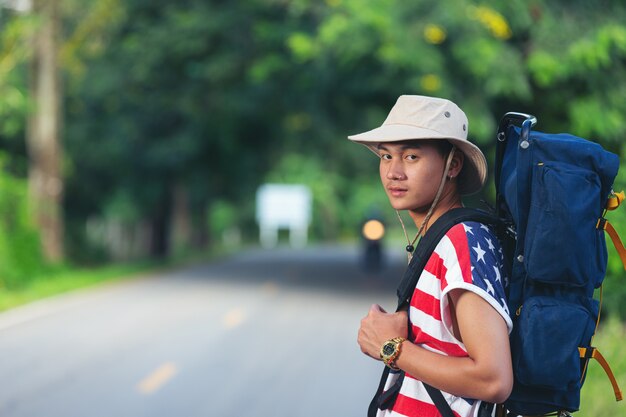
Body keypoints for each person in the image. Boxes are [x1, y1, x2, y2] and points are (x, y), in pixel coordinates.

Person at [349, 95, 513, 417]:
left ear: (452, 165)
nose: (393, 172)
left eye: (411, 156)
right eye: (385, 156)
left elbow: (494, 379)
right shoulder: (438, 238)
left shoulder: (461, 242)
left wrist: (391, 348)